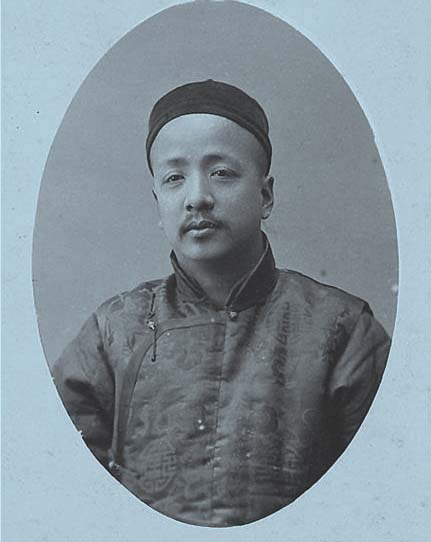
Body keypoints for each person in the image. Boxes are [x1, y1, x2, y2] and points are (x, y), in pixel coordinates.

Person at [52, 79, 391, 527]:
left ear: (265, 196)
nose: (197, 197)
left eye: (222, 173)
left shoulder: (343, 330)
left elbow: (380, 497)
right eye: (174, 178)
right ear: (158, 204)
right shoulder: (112, 331)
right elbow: (61, 488)